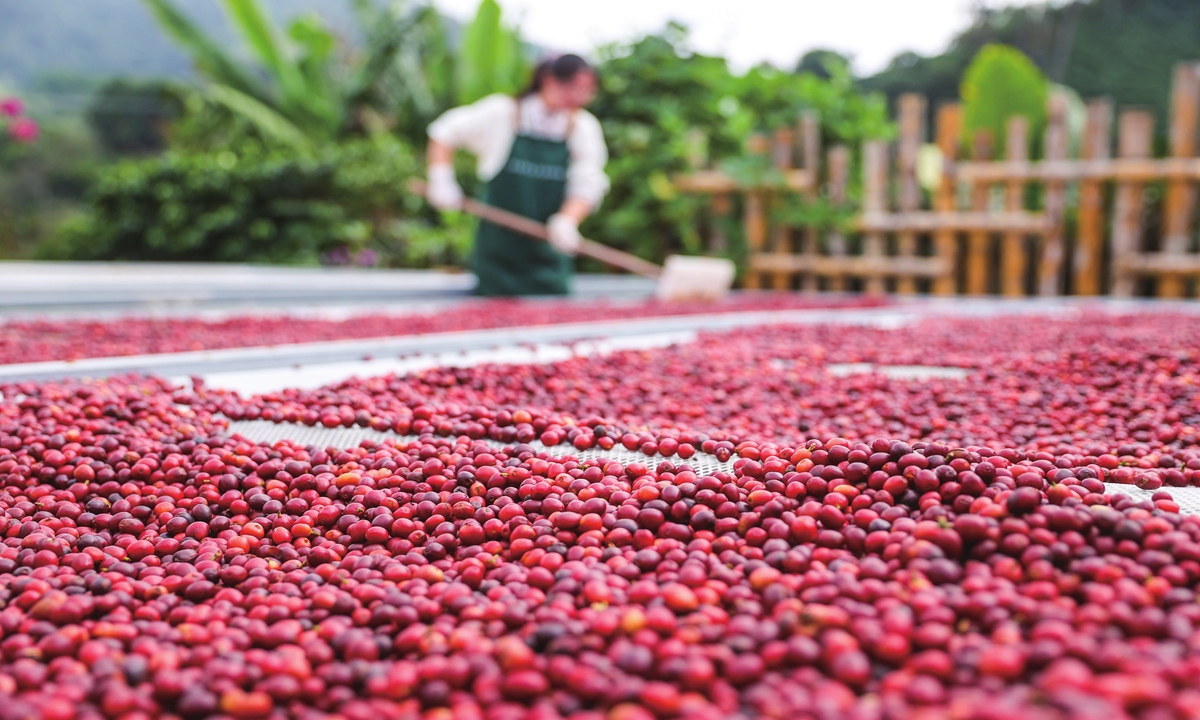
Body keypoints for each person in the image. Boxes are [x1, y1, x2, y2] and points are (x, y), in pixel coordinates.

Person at [425, 54, 609, 296]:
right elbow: (444, 132)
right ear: (549, 81)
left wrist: (567, 221)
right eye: (575, 88)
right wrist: (441, 179)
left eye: (587, 91)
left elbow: (588, 183)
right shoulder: (504, 112)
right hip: (498, 253)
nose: (581, 98)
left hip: (547, 255)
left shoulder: (583, 127)